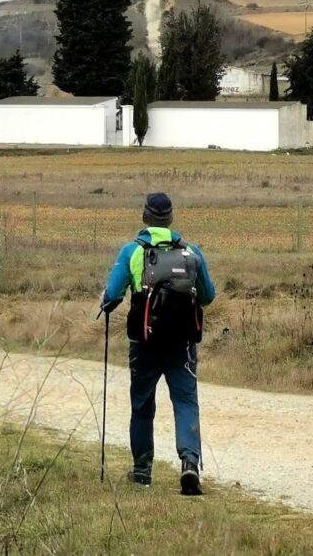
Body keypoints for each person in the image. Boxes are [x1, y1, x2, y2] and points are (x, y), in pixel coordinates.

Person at [100, 192, 216, 495]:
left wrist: (107, 306)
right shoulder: (192, 252)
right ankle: (189, 463)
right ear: (171, 219)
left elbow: (112, 295)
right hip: (182, 344)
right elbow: (208, 296)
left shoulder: (132, 252)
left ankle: (142, 471)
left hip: (145, 343)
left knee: (142, 404)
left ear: (144, 217)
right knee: (186, 401)